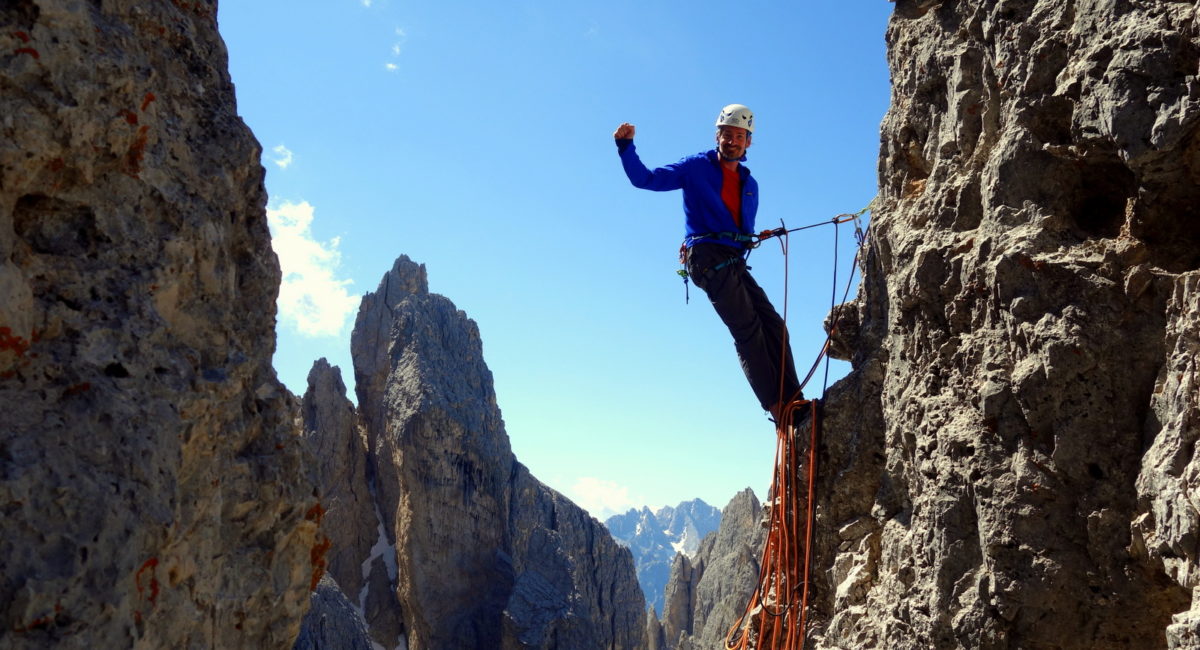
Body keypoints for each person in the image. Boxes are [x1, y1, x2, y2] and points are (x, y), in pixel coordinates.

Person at [613, 104, 804, 423]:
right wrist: (626, 147)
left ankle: (794, 401)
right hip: (707, 258)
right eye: (726, 134)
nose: (732, 141)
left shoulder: (749, 184)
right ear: (717, 136)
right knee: (747, 329)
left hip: (732, 260)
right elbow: (645, 179)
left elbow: (739, 227)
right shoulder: (695, 167)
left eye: (739, 136)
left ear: (748, 143)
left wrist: (751, 237)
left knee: (774, 326)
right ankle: (776, 407)